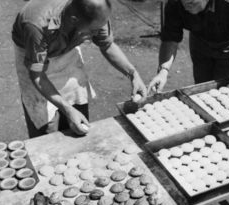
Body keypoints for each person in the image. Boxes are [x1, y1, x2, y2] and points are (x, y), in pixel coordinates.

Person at [12, 0, 147, 138]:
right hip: (33, 54)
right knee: (47, 126)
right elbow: (37, 75)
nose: (97, 32)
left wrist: (133, 74)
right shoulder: (37, 25)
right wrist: (67, 109)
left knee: (78, 113)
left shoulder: (97, 14)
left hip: (67, 51)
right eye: (93, 30)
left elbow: (107, 45)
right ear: (74, 20)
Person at [148, 0, 229, 93]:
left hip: (228, 47)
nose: (186, 5)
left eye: (192, 2)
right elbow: (170, 39)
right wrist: (163, 71)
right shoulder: (175, 3)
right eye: (184, 3)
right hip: (199, 42)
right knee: (202, 90)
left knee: (226, 93)